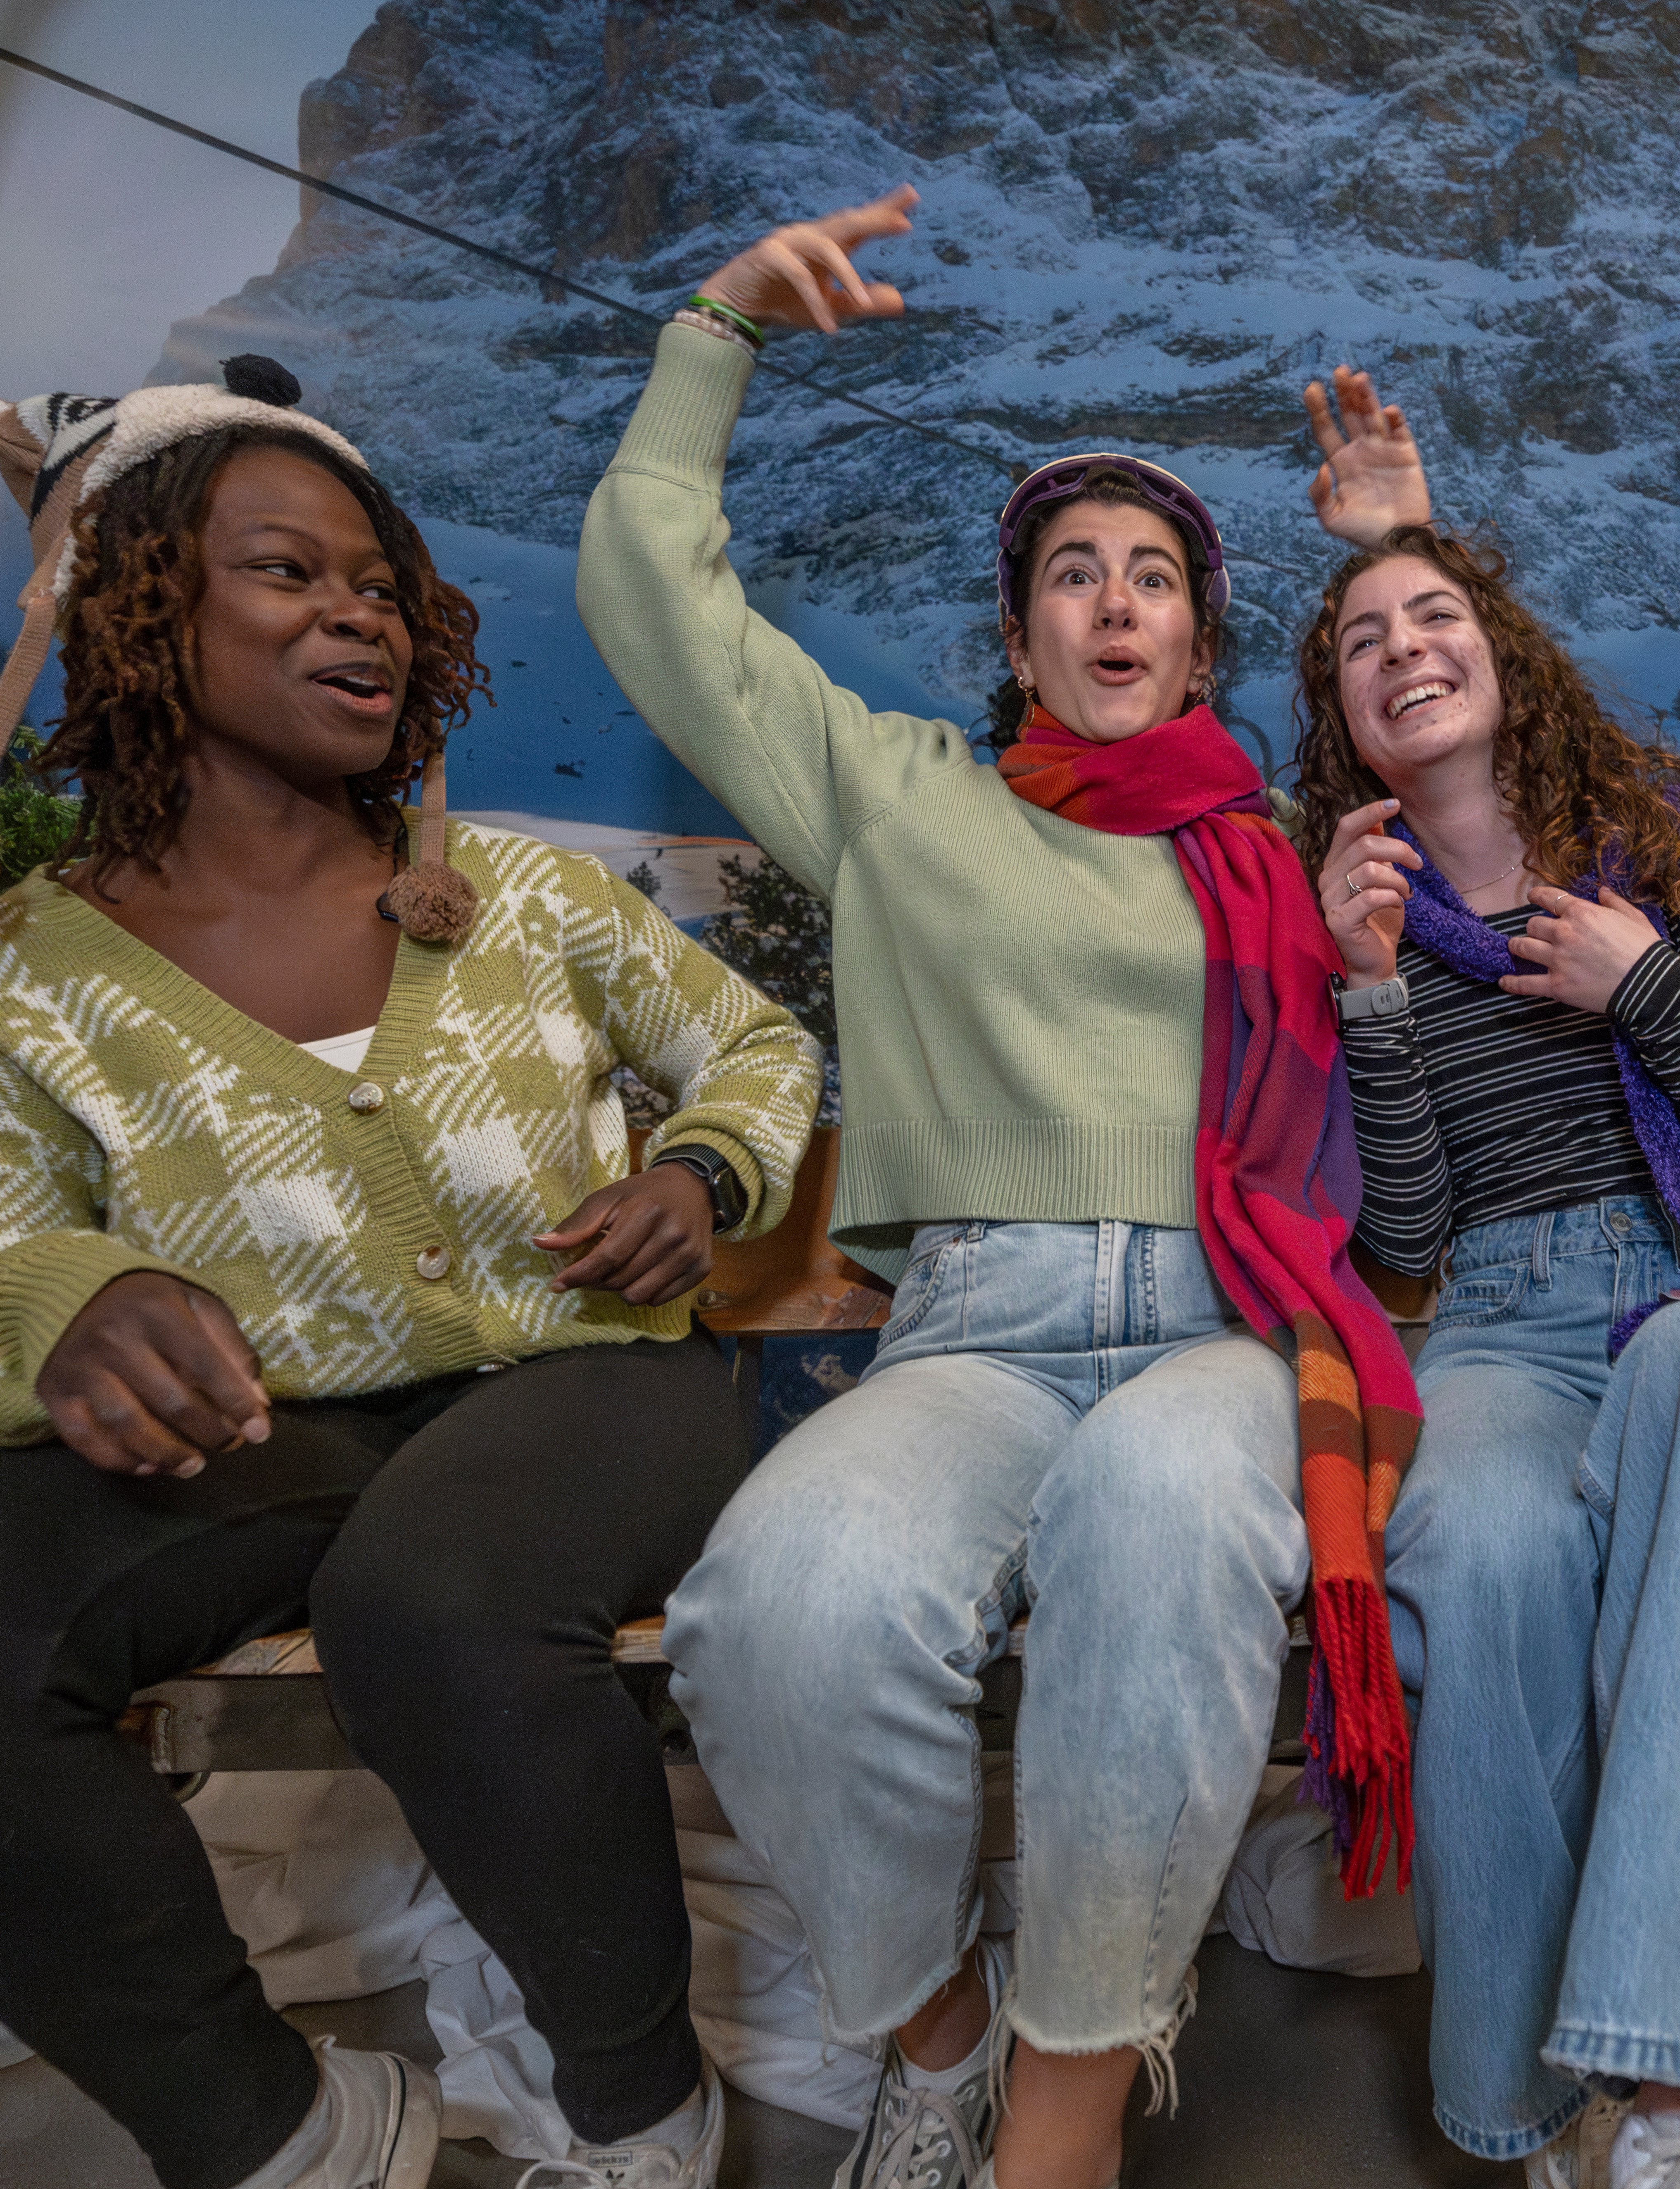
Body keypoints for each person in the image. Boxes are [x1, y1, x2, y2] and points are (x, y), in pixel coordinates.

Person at [0, 358, 821, 2189]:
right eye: (286, 570)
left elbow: (759, 1051)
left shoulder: (519, 895)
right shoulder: (19, 970)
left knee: (438, 1595)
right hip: (284, 1423)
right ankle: (278, 2129)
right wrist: (68, 1300)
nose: (356, 609)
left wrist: (699, 1164)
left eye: (378, 584)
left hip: (585, 1377)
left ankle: (638, 2098)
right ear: (134, 604)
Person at [577, 192, 1422, 2189]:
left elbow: (1475, 756)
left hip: (1234, 1322)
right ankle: (935, 2032)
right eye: (1072, 573)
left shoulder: (1292, 843)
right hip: (977, 1323)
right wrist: (724, 325)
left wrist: (1390, 550)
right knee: (783, 1597)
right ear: (1020, 624)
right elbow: (654, 596)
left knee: (1157, 1509)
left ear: (1206, 633)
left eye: (1154, 577)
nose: (1115, 604)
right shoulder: (900, 796)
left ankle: (1061, 2115)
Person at [1295, 382, 1680, 2189]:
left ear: (1510, 656)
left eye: (1439, 616)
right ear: (1346, 726)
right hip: (1511, 1321)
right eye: (1366, 645)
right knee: (1483, 1543)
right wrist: (1373, 990)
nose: (1407, 651)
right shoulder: (1375, 918)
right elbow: (1406, 1243)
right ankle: (1528, 2110)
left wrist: (1644, 986)